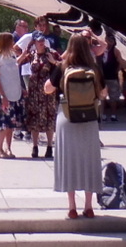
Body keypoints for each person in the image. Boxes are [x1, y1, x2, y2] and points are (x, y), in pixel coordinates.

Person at [44, 32, 103, 220]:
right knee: (89, 161)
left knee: (69, 161)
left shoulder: (62, 66)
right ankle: (89, 206)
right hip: (89, 117)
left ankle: (72, 207)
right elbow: (102, 93)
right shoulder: (93, 67)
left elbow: (47, 88)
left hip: (67, 117)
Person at [16, 28, 57, 160]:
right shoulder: (31, 54)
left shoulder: (51, 53)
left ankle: (50, 146)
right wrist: (25, 51)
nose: (41, 43)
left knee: (49, 118)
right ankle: (35, 146)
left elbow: (62, 65)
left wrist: (53, 62)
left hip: (47, 91)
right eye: (38, 41)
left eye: (42, 41)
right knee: (34, 119)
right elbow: (17, 62)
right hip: (34, 91)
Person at [0, 32, 24, 159]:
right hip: (4, 94)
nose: (13, 43)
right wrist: (2, 96)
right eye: (11, 41)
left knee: (12, 123)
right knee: (3, 123)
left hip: (15, 93)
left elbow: (14, 72)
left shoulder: (12, 55)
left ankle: (8, 147)